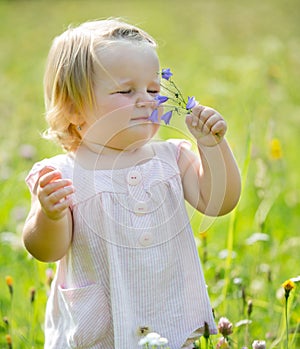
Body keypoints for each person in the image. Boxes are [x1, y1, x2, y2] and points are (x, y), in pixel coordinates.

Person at [22, 19, 241, 349]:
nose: (147, 100)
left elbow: (219, 202)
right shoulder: (60, 175)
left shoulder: (171, 159)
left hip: (172, 324)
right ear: (73, 108)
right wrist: (48, 216)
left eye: (154, 90)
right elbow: (46, 250)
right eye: (126, 91)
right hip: (97, 331)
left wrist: (212, 147)